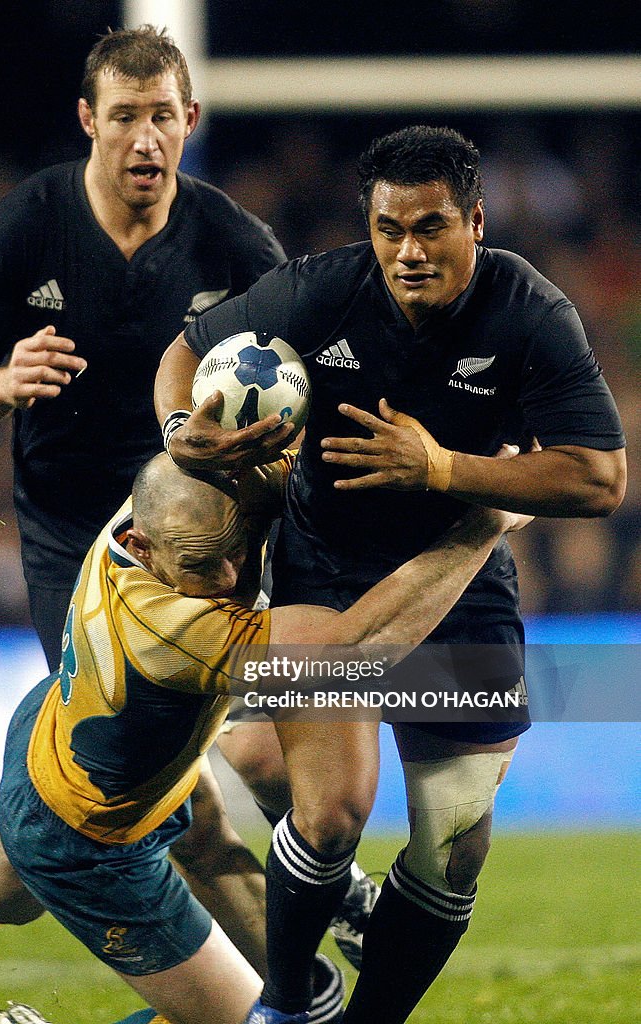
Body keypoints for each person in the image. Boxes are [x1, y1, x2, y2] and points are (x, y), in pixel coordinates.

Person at [153, 124, 627, 1022]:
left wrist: (442, 468)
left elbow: (599, 475)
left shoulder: (529, 312)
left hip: (459, 577)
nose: (408, 251)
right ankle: (286, 1008)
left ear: (476, 222)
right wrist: (184, 436)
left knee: (454, 849)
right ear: (368, 226)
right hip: (321, 566)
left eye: (431, 228)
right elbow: (184, 354)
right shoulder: (318, 291)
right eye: (389, 229)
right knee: (329, 814)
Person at [0, 23, 350, 984]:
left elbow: (310, 368)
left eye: (162, 117)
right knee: (181, 811)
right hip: (78, 552)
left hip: (208, 532)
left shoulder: (235, 243)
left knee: (260, 765)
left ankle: (321, 909)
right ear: (89, 122)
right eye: (124, 118)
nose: (144, 139)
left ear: (189, 120)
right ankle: (300, 971)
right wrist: (1, 381)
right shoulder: (24, 227)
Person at [0, 452, 532, 1024]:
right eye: (202, 565)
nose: (231, 577)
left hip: (62, 744)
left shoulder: (163, 507)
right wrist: (481, 525)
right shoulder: (172, 631)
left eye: (234, 549)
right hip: (91, 838)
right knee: (289, 1015)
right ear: (142, 547)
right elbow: (354, 651)